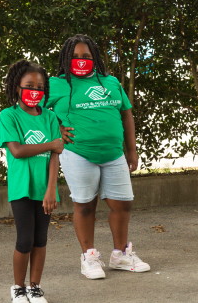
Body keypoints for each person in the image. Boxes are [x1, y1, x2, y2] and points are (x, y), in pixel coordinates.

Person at [47, 34, 150, 279]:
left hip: (114, 153)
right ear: (65, 59)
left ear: (95, 59)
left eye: (86, 57)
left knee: (122, 202)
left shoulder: (110, 82)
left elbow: (126, 114)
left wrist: (132, 149)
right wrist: (56, 129)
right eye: (75, 57)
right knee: (85, 204)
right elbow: (34, 110)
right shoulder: (57, 84)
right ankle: (89, 257)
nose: (81, 61)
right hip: (78, 152)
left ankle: (120, 255)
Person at [0, 60, 62, 303]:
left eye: (40, 86)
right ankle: (18, 289)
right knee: (24, 239)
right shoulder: (8, 116)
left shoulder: (50, 117)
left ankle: (35, 288)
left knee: (40, 239)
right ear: (16, 87)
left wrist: (51, 189)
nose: (35, 90)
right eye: (28, 86)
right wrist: (51, 145)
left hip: (44, 189)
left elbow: (56, 157)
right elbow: (17, 150)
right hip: (21, 188)